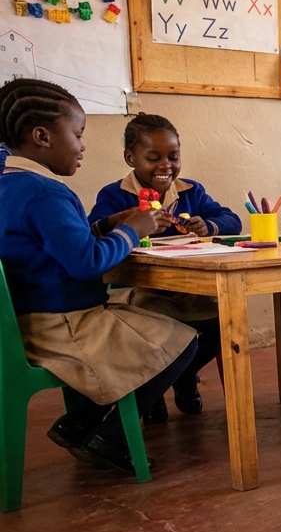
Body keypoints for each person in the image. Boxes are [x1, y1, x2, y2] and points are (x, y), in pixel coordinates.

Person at [0, 78, 197, 474]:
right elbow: (88, 263)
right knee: (184, 339)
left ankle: (81, 423)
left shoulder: (10, 186)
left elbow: (47, 246)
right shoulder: (46, 194)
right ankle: (107, 437)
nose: (83, 145)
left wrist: (109, 224)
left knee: (154, 328)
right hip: (67, 328)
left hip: (24, 324)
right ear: (41, 136)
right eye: (77, 134)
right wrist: (135, 230)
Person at [87, 113, 241, 424]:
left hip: (185, 289)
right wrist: (124, 223)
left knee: (225, 322)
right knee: (155, 319)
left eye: (173, 156)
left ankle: (181, 375)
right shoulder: (115, 195)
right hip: (137, 290)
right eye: (153, 157)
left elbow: (232, 220)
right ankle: (155, 387)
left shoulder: (189, 191)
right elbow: (93, 230)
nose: (165, 166)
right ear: (131, 158)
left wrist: (207, 224)